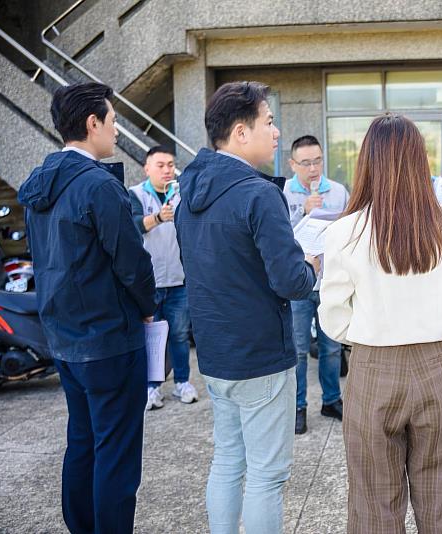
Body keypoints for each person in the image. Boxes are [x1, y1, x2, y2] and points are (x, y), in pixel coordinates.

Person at [319, 114, 442, 533]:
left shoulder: (344, 231)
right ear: (419, 160)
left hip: (372, 368)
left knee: (373, 500)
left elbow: (333, 318)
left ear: (367, 161)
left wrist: (369, 328)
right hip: (436, 363)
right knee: (441, 493)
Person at [174, 81, 319, 534]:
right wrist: (313, 263)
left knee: (228, 459)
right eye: (269, 122)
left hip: (216, 354)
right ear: (241, 132)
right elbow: (291, 281)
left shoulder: (188, 193)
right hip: (259, 354)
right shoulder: (259, 194)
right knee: (266, 474)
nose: (276, 133)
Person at [18, 82, 157, 533]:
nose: (116, 130)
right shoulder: (98, 185)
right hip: (108, 340)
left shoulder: (40, 183)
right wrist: (149, 307)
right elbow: (131, 261)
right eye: (113, 120)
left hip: (64, 338)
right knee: (115, 452)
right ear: (92, 123)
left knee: (82, 441)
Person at [283, 135, 350, 434]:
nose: (313, 169)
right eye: (306, 163)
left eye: (318, 161)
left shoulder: (337, 191)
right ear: (292, 163)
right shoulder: (281, 192)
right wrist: (303, 213)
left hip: (330, 283)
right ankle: (298, 407)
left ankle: (331, 399)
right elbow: (278, 238)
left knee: (331, 347)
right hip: (298, 284)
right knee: (297, 349)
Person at [128, 146, 198, 410]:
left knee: (180, 335)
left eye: (170, 164)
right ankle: (152, 387)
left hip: (179, 280)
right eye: (160, 165)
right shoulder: (134, 194)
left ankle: (182, 382)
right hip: (149, 282)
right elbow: (132, 226)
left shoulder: (183, 195)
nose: (167, 170)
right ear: (147, 168)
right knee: (152, 338)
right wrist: (157, 217)